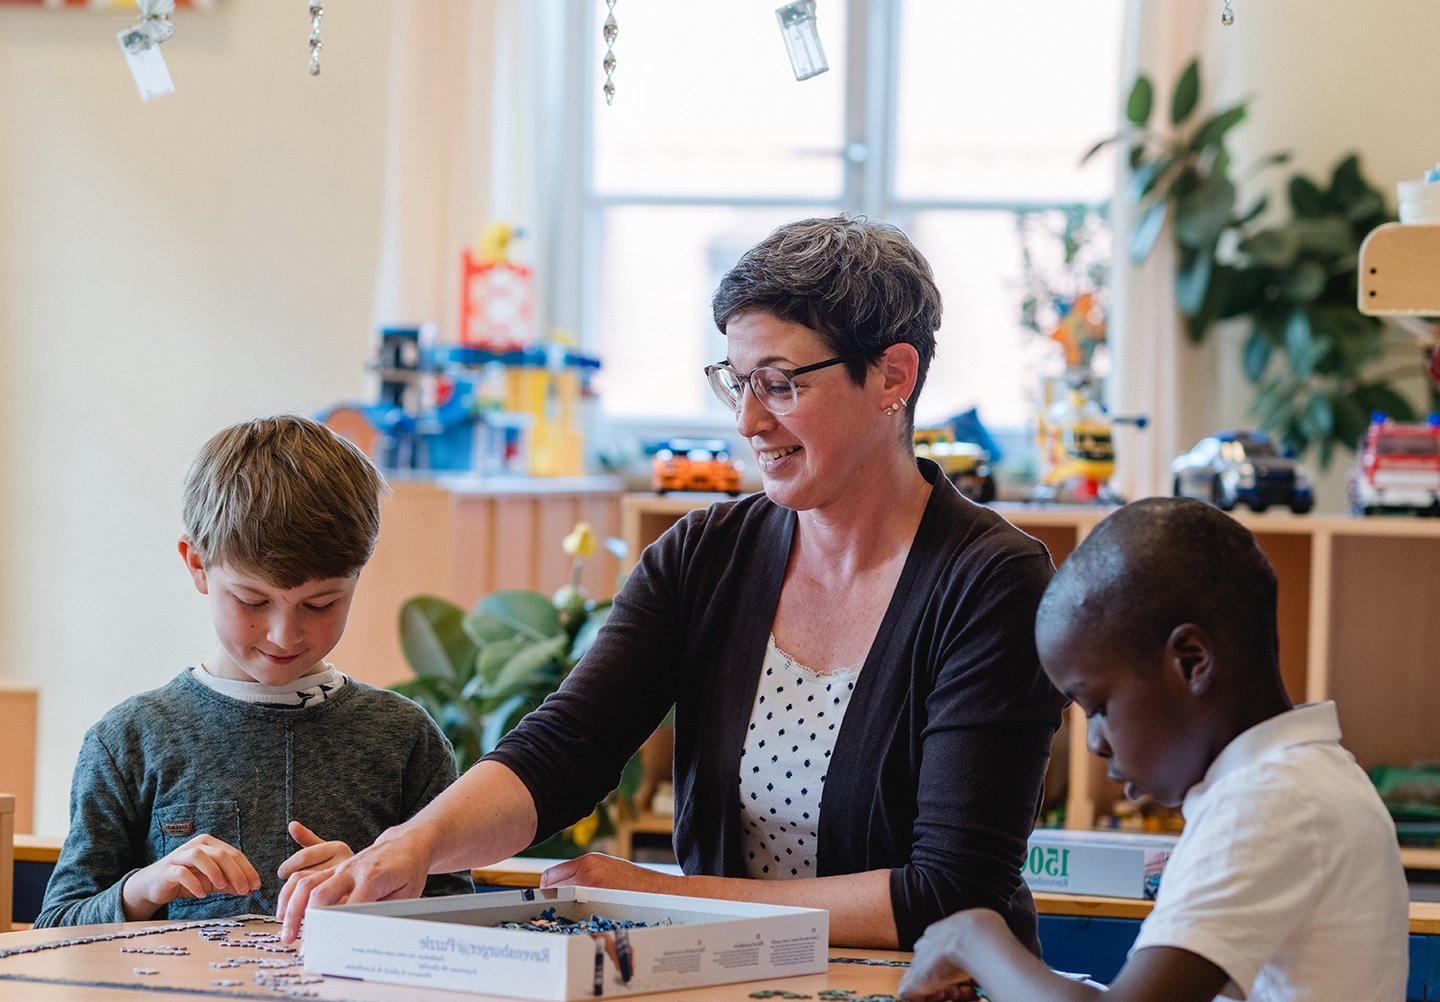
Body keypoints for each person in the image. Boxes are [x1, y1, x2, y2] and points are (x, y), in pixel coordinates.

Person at [278, 215, 1065, 955]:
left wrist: (665, 898)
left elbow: (953, 892)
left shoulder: (993, 582)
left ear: (893, 376)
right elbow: (564, 751)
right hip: (727, 995)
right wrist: (411, 844)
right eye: (738, 381)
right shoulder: (702, 555)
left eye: (782, 383)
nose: (749, 422)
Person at [900, 497, 1408, 1002]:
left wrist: (977, 934)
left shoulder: (1273, 802)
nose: (1095, 743)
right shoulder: (1287, 785)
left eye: (1099, 707)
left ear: (1191, 661)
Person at [35, 415, 471, 928]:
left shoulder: (406, 739)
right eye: (252, 599)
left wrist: (380, 888)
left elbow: (459, 919)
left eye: (320, 603)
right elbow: (57, 928)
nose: (285, 635)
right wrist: (144, 887)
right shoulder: (128, 740)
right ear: (197, 564)